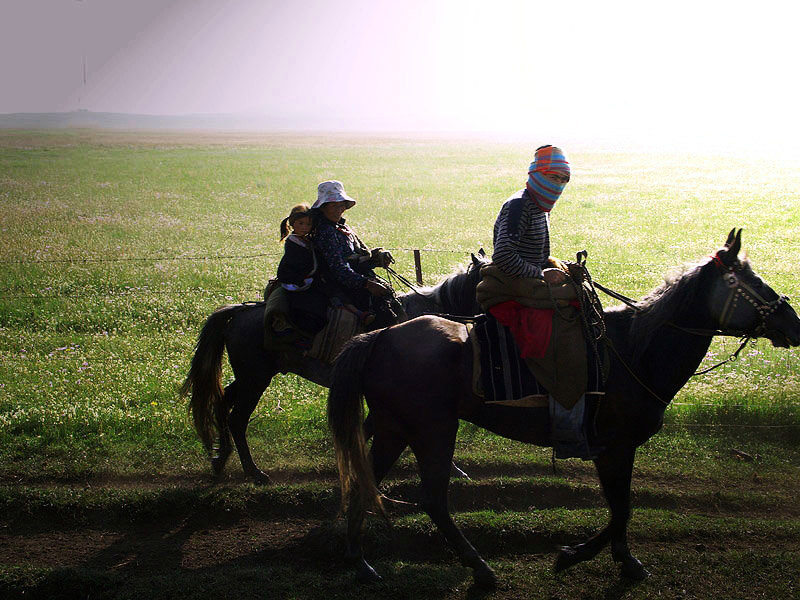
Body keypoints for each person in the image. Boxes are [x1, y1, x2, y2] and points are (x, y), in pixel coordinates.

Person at [311, 180, 402, 327]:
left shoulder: (342, 226)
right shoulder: (325, 231)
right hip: (341, 285)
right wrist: (366, 284)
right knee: (382, 318)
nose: (338, 210)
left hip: (356, 279)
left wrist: (377, 259)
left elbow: (356, 258)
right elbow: (338, 269)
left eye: (341, 205)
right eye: (333, 206)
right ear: (323, 208)